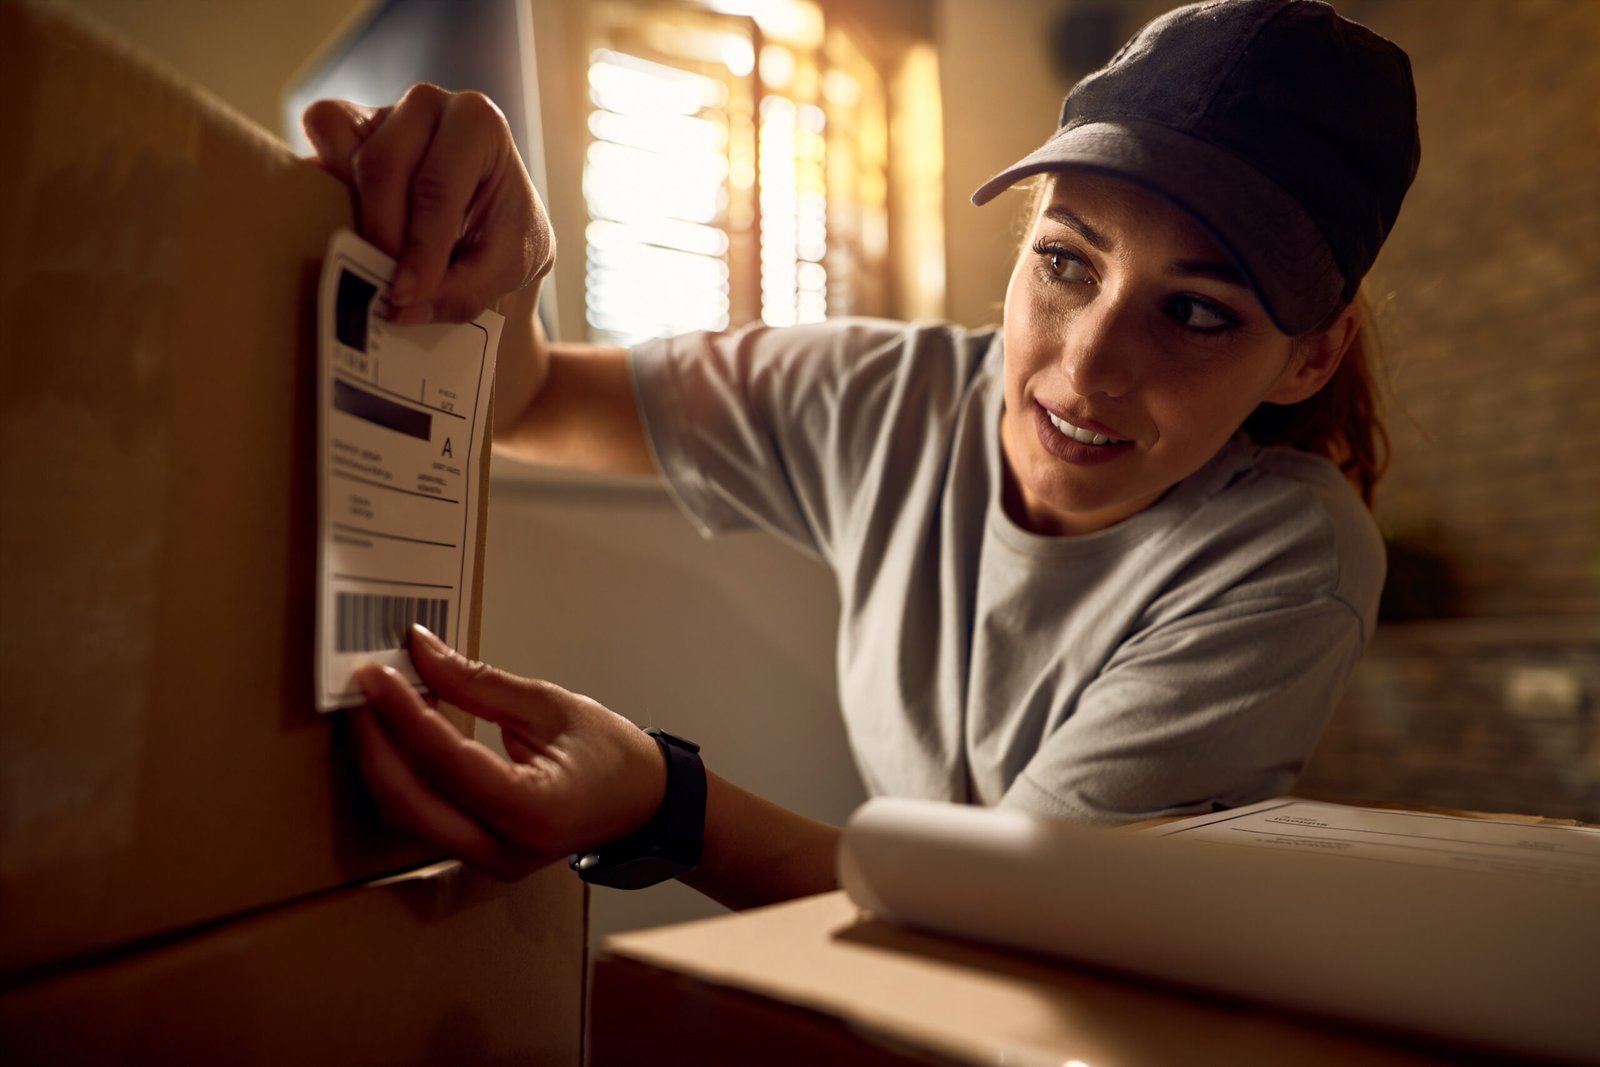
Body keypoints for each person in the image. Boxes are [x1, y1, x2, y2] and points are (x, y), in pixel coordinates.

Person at [302, 0, 1419, 909]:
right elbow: (532, 400)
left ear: (1308, 357)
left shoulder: (1286, 556)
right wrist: (511, 253)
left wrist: (663, 802)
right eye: (1068, 261)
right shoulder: (883, 396)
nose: (1086, 368)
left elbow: (1006, 920)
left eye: (1199, 314)